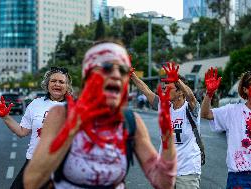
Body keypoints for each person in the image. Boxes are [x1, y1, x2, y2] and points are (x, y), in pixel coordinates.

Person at [23, 40, 177, 189]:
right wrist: (69, 131)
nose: (116, 75)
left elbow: (163, 183)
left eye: (122, 70)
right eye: (107, 68)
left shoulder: (131, 121)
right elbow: (32, 182)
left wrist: (167, 136)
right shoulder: (60, 115)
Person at [0, 67, 73, 189]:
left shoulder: (76, 107)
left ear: (67, 86)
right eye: (53, 81)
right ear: (47, 84)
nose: (57, 84)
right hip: (34, 163)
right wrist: (5, 117)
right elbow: (22, 132)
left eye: (61, 82)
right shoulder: (36, 104)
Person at [130, 62, 202, 189]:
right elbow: (146, 91)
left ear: (180, 92)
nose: (165, 90)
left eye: (169, 88)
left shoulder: (190, 108)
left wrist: (178, 81)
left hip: (187, 171)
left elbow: (191, 97)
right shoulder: (164, 106)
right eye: (164, 88)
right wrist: (132, 75)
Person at [201, 68, 251, 188]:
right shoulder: (232, 111)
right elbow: (206, 114)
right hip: (241, 178)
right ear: (245, 90)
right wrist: (209, 94)